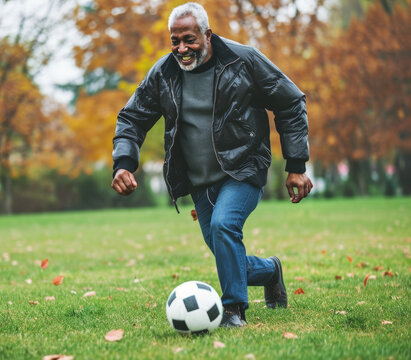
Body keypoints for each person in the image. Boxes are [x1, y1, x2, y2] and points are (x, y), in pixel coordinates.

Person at [111, 2, 313, 328]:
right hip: (198, 181)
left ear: (207, 34)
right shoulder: (164, 73)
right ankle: (271, 270)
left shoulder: (243, 61)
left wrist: (296, 164)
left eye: (189, 39)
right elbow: (131, 118)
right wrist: (123, 163)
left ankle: (233, 310)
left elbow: (290, 100)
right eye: (175, 41)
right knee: (224, 251)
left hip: (243, 167)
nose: (182, 48)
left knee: (224, 227)